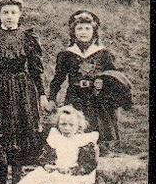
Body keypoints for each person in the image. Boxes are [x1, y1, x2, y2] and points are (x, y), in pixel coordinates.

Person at [0, 0, 47, 184]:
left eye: (13, 12)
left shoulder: (28, 38)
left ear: (19, 15)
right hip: (0, 90)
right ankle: (1, 178)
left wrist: (42, 94)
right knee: (1, 132)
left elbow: (35, 70)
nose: (9, 16)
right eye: (5, 12)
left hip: (24, 90)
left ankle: (18, 177)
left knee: (22, 130)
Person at [49, 9, 126, 154]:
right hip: (75, 97)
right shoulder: (66, 54)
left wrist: (105, 84)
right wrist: (52, 97)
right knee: (74, 129)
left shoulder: (104, 54)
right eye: (79, 28)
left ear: (94, 31)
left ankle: (101, 161)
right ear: (73, 31)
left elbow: (116, 75)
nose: (83, 32)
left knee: (99, 130)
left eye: (87, 28)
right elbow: (58, 78)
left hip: (97, 98)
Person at [13, 105, 98, 184]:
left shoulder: (83, 141)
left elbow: (89, 164)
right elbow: (45, 156)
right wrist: (47, 165)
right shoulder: (55, 139)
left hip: (73, 171)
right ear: (58, 124)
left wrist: (71, 170)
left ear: (79, 126)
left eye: (71, 125)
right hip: (56, 169)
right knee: (36, 176)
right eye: (63, 124)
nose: (66, 128)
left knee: (63, 180)